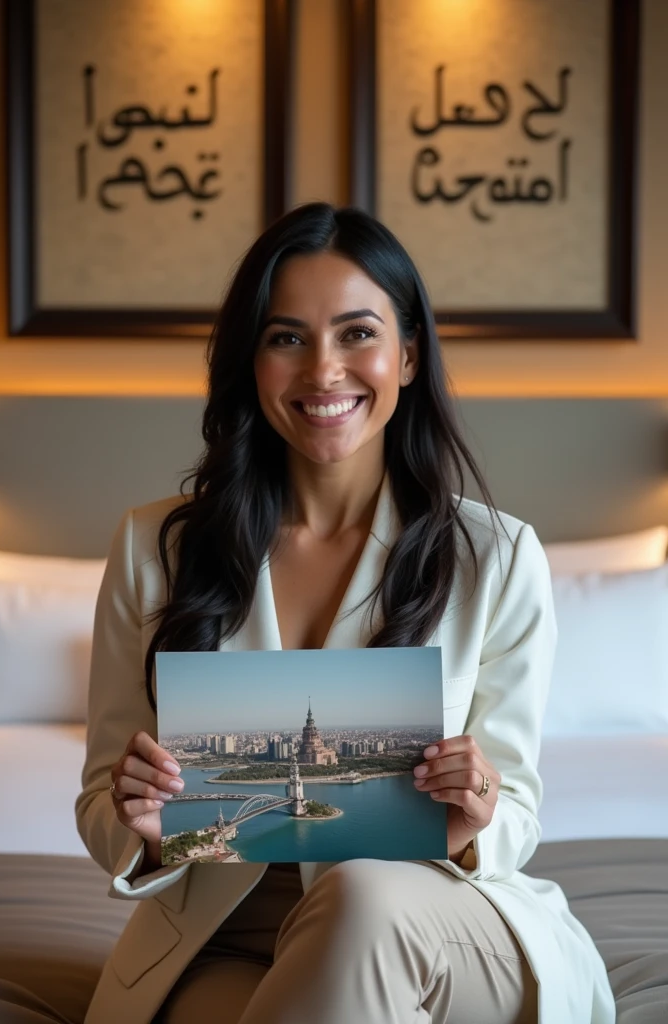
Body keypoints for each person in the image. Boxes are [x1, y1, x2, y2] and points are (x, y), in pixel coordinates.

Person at [75, 203, 615, 1024]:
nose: (324, 370)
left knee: (362, 895)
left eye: (358, 333)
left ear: (407, 355)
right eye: (286, 337)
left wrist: (476, 817)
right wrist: (142, 825)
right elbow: (99, 799)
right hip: (231, 936)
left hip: (438, 919)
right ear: (251, 363)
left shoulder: (499, 557)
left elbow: (519, 816)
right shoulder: (155, 547)